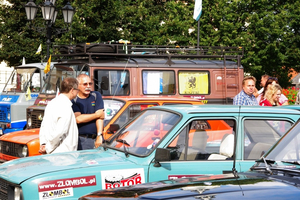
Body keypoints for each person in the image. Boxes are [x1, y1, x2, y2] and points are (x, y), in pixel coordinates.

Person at [39, 77, 79, 154]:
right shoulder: (65, 106)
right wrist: (48, 147)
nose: (77, 92)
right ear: (72, 90)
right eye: (77, 90)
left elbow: (43, 125)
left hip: (52, 151)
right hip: (62, 154)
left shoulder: (52, 103)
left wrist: (43, 143)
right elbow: (60, 132)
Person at [72, 74, 105, 150]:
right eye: (85, 84)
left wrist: (99, 135)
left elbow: (100, 118)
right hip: (82, 139)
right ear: (77, 85)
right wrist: (97, 115)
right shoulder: (74, 100)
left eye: (90, 83)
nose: (88, 86)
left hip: (97, 138)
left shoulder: (96, 95)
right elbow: (78, 119)